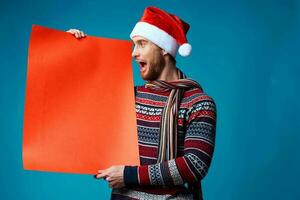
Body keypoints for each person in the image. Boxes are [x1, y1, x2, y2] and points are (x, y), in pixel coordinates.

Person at [67, 6, 216, 200]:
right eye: (134, 45)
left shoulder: (199, 103)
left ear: (163, 48)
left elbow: (194, 164)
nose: (134, 53)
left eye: (142, 44)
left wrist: (128, 175)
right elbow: (88, 133)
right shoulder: (127, 98)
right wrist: (73, 53)